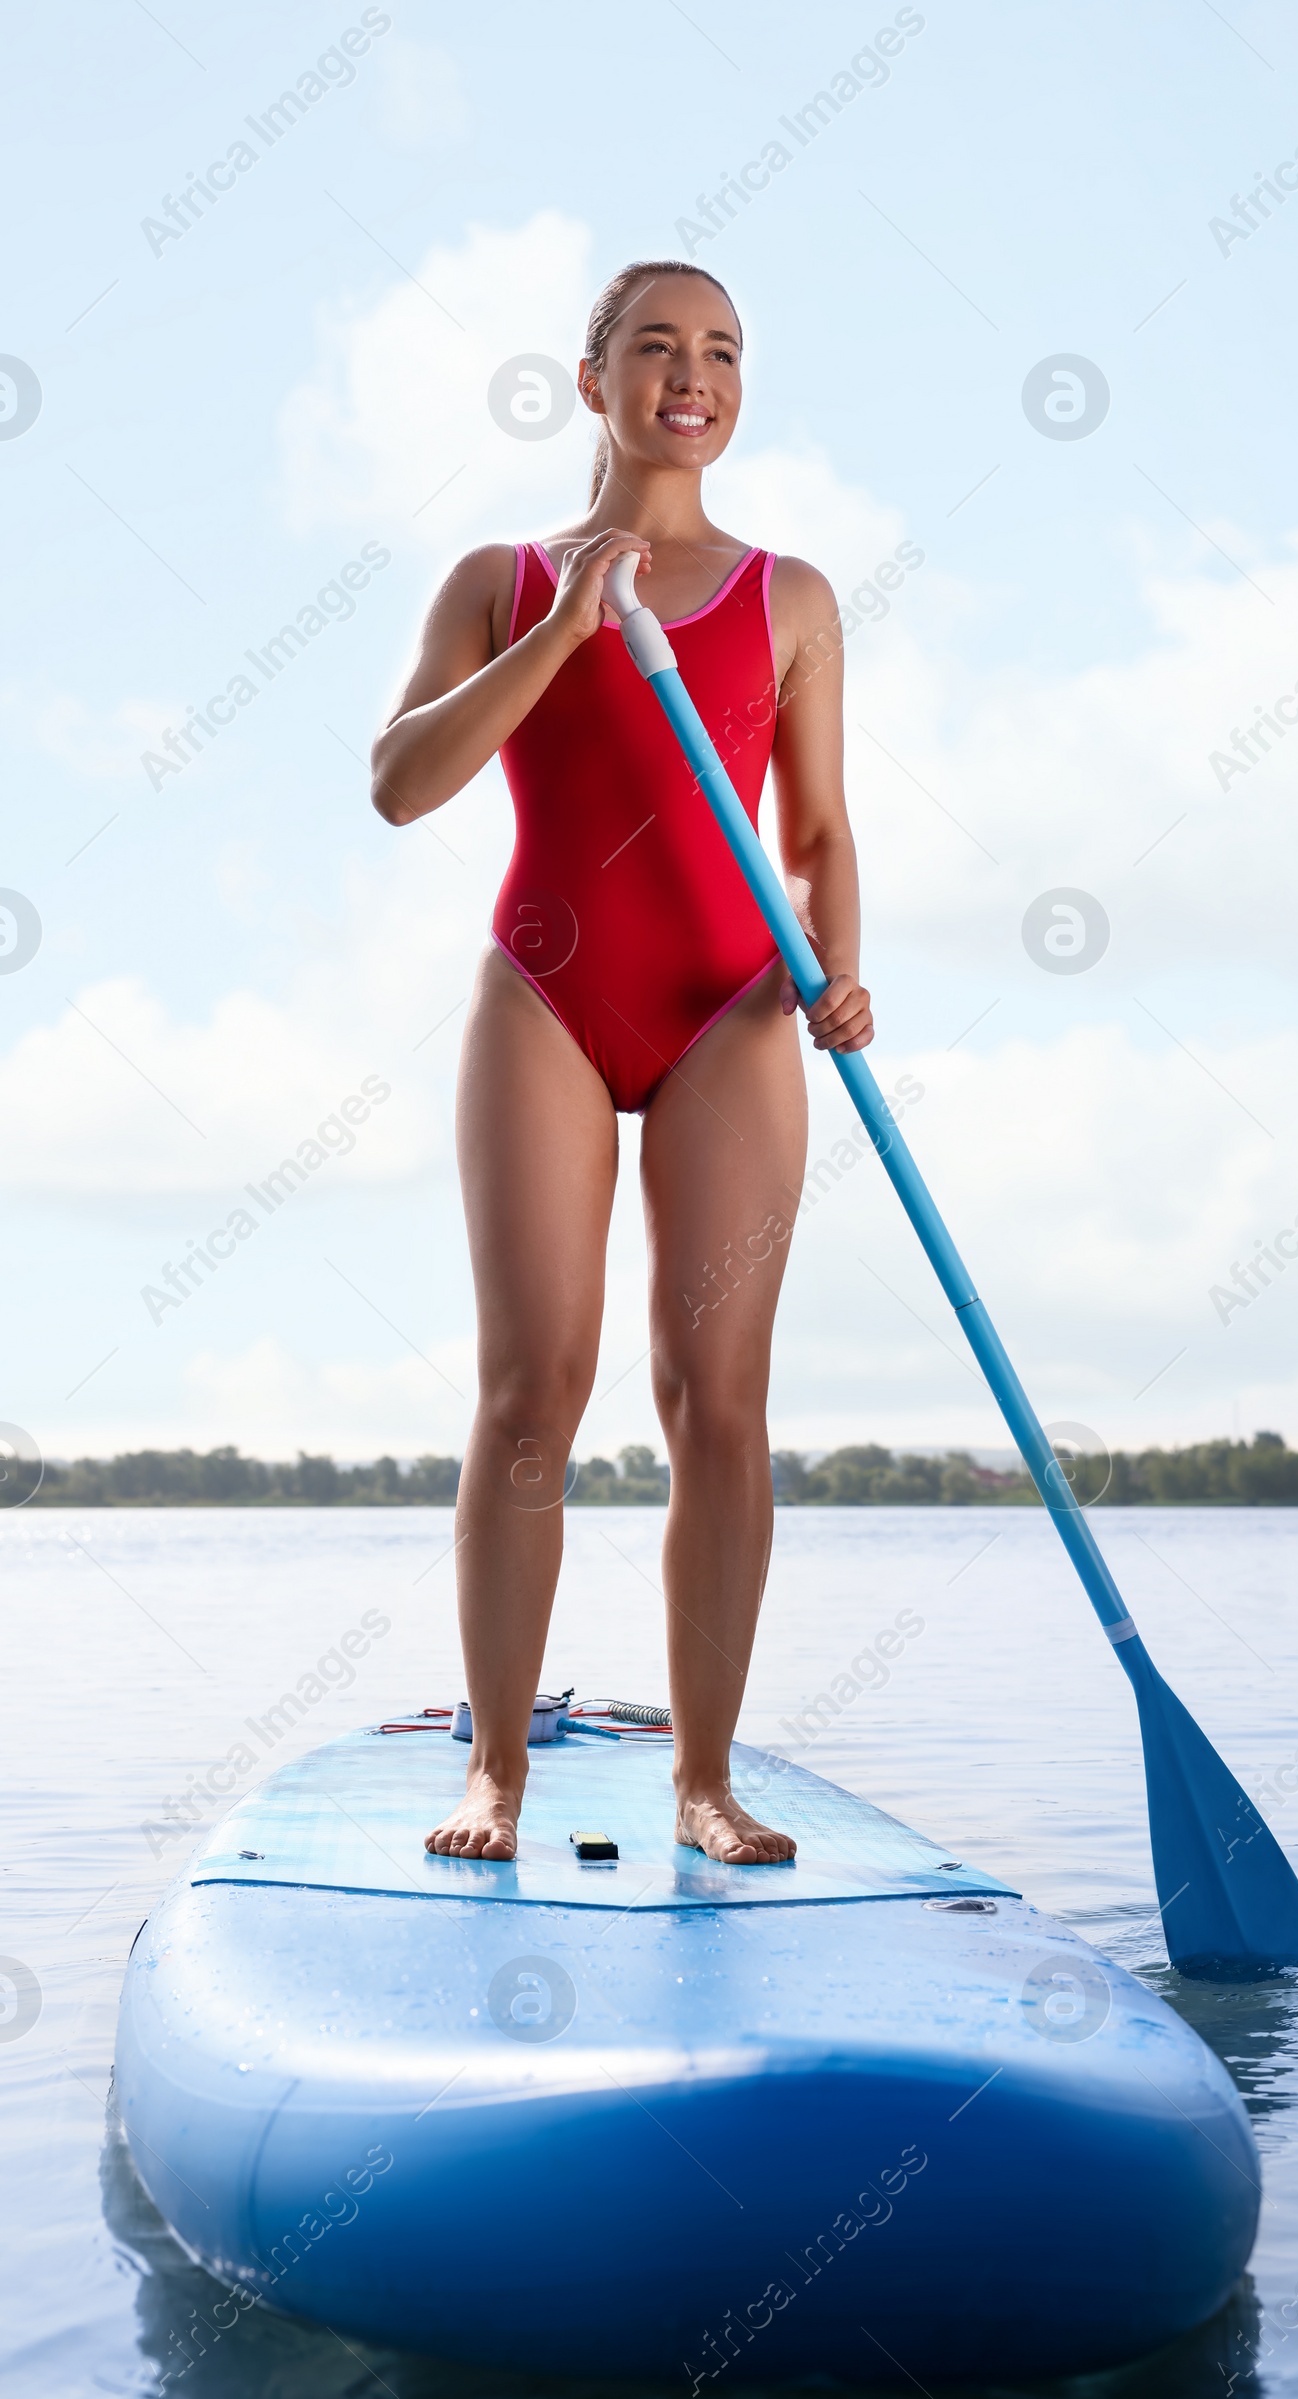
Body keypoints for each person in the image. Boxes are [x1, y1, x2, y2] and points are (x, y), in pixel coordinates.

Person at [371, 260, 873, 1865]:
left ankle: (704, 1782)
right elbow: (399, 783)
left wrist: (840, 968)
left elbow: (816, 833)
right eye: (655, 344)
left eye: (723, 348)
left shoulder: (789, 597)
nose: (693, 372)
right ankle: (496, 1771)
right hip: (549, 1002)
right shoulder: (501, 577)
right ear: (589, 381)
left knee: (717, 1400)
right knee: (535, 1392)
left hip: (733, 1007)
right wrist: (576, 624)